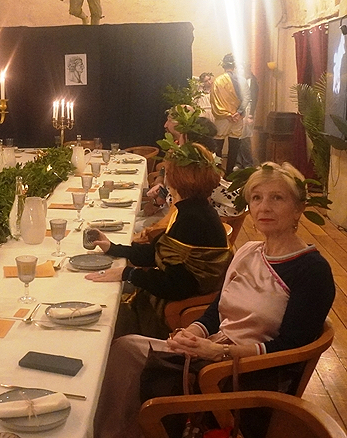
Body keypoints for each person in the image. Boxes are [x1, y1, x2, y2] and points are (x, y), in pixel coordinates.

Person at [93, 161, 335, 438]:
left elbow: (291, 349)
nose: (264, 207)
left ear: (298, 208)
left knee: (134, 368)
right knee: (125, 348)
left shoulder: (311, 271)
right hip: (213, 352)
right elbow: (217, 310)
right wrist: (192, 332)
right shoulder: (249, 251)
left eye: (277, 198)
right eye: (257, 198)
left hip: (244, 379)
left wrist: (220, 353)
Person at [87, 143, 233, 339]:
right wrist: (113, 247)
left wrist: (128, 273)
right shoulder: (193, 209)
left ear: (175, 179)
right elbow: (159, 252)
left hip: (174, 311)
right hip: (175, 294)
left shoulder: (192, 220)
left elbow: (177, 286)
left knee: (101, 310)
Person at [211, 53, 248, 174]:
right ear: (234, 66)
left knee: (218, 146)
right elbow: (247, 98)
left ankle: (217, 171)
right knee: (234, 145)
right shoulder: (242, 80)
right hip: (238, 118)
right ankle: (229, 172)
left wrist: (226, 114)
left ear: (223, 65)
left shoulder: (218, 81)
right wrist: (238, 113)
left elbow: (214, 101)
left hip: (223, 118)